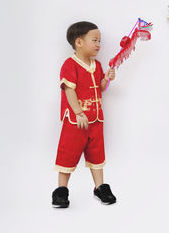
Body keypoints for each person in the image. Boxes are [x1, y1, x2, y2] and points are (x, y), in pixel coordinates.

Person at [52, 21, 116, 208]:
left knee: (97, 153)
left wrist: (106, 79)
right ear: (78, 42)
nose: (98, 45)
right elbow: (69, 90)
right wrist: (78, 112)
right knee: (68, 153)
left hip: (95, 118)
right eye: (94, 40)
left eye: (99, 41)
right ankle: (61, 191)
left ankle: (100, 187)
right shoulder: (69, 65)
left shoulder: (97, 65)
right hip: (76, 120)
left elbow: (101, 88)